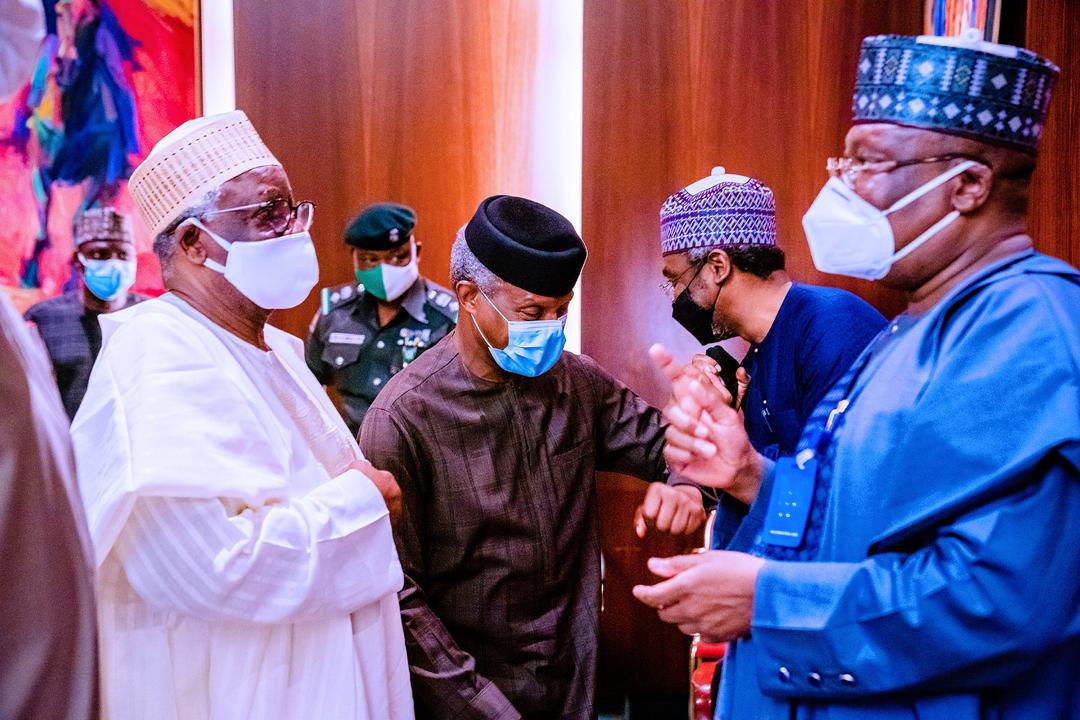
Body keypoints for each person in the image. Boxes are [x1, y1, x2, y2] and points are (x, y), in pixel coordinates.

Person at [634, 33, 1080, 719]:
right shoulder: (911, 327)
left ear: (968, 185)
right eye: (845, 162)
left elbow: (1000, 597)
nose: (841, 187)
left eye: (868, 163)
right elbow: (859, 513)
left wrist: (771, 602)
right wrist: (750, 473)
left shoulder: (1026, 328)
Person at [71, 110, 414, 720]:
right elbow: (209, 570)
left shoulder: (275, 348)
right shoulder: (157, 357)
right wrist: (361, 503)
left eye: (292, 208)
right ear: (194, 242)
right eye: (266, 213)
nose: (293, 229)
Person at [360, 195, 706, 720]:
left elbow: (671, 445)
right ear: (470, 297)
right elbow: (398, 597)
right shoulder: (403, 418)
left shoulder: (577, 382)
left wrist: (686, 485)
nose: (550, 327)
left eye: (560, 310)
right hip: (467, 693)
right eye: (532, 313)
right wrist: (481, 707)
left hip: (574, 678)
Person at [660, 167, 885, 460]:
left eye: (676, 280)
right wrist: (724, 423)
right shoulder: (754, 363)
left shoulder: (834, 327)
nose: (677, 296)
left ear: (718, 266)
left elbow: (838, 479)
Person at [307, 202, 456, 434]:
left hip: (419, 450)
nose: (385, 269)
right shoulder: (334, 311)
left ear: (417, 252)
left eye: (397, 257)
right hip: (352, 450)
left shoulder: (449, 315)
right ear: (354, 258)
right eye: (370, 260)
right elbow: (309, 385)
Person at [25, 206, 146, 419]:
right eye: (100, 254)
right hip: (69, 445)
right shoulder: (45, 320)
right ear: (77, 260)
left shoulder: (151, 317)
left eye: (123, 254)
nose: (114, 263)